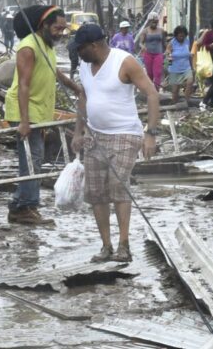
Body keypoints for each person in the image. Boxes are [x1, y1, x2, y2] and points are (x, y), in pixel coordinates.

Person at [71, 24, 160, 263]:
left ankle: (124, 245)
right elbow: (83, 96)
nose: (78, 54)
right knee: (96, 192)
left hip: (124, 133)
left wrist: (150, 133)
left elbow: (151, 93)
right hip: (94, 134)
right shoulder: (84, 66)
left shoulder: (125, 62)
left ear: (94, 45)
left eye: (81, 49)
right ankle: (106, 246)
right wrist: (78, 132)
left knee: (118, 187)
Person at [4, 5, 81, 225]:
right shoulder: (28, 47)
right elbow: (24, 86)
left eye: (63, 29)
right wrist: (25, 121)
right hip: (25, 110)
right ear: (44, 25)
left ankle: (23, 204)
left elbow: (54, 70)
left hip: (39, 111)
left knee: (35, 158)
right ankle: (24, 206)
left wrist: (75, 87)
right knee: (31, 159)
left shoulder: (47, 46)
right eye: (57, 28)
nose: (60, 33)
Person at [165, 26, 194, 105]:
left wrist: (192, 67)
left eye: (183, 35)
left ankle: (187, 101)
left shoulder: (187, 41)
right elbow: (168, 54)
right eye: (180, 35)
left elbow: (190, 54)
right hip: (175, 69)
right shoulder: (172, 43)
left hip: (186, 68)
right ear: (176, 35)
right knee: (175, 91)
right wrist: (169, 66)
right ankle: (174, 103)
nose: (182, 37)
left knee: (190, 82)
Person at [139, 16, 166, 88]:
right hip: (148, 54)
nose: (154, 23)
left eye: (156, 21)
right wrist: (143, 47)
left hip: (158, 54)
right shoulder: (145, 31)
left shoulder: (161, 31)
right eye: (153, 21)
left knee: (158, 72)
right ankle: (150, 90)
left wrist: (166, 52)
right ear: (149, 21)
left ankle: (156, 90)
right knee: (150, 73)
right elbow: (140, 43)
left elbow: (164, 43)